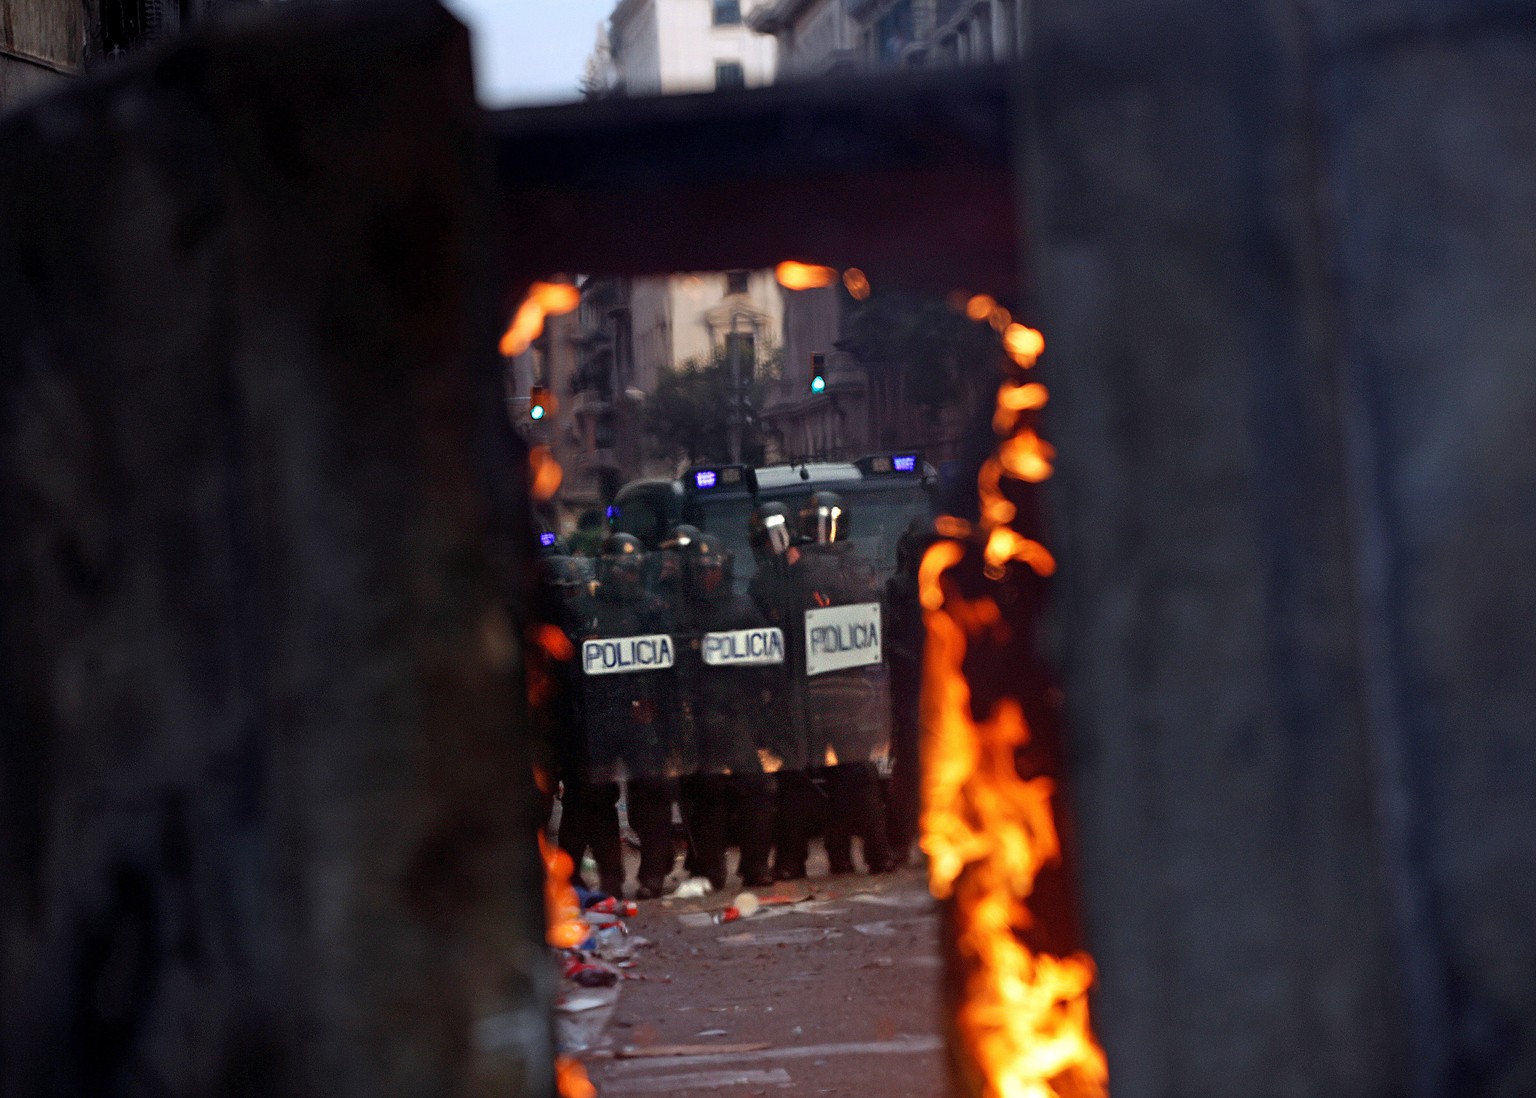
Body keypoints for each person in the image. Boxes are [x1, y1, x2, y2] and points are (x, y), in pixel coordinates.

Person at [571, 533, 683, 899]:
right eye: (621, 567)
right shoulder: (586, 610)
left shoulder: (652, 609)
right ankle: (611, 880)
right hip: (600, 715)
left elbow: (669, 667)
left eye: (633, 568)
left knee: (652, 794)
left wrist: (661, 711)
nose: (628, 574)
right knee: (597, 797)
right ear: (606, 569)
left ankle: (652, 875)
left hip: (642, 715)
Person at [794, 492, 894, 876]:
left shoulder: (838, 569)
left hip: (842, 691)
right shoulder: (838, 570)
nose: (823, 532)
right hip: (823, 691)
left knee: (852, 777)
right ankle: (866, 854)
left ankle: (862, 853)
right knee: (850, 778)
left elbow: (872, 618)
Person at [676, 534, 779, 889]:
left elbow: (768, 659)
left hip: (738, 716)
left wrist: (760, 700)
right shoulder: (678, 613)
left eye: (714, 569)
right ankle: (710, 869)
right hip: (696, 719)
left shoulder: (743, 608)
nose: (709, 576)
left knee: (757, 789)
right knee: (708, 794)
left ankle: (755, 866)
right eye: (702, 570)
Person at [537, 549, 624, 898]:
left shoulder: (591, 627)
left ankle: (607, 878)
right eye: (567, 591)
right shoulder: (543, 636)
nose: (573, 599)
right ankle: (572, 878)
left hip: (588, 729)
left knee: (595, 801)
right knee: (579, 804)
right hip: (557, 733)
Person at [747, 502, 820, 880]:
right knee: (792, 778)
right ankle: (793, 858)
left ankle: (819, 855)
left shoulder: (813, 572)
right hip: (784, 691)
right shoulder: (762, 583)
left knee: (837, 773)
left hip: (821, 687)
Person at [883, 518, 931, 866]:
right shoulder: (898, 589)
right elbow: (886, 640)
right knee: (909, 772)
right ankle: (901, 841)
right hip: (912, 690)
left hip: (941, 688)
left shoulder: (949, 581)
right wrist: (911, 657)